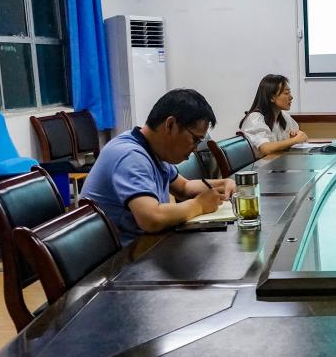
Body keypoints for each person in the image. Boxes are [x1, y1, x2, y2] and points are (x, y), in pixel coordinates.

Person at [81, 88, 236, 243]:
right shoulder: (130, 155)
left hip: (144, 245)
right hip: (123, 255)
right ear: (171, 125)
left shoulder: (152, 150)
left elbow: (184, 188)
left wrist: (222, 184)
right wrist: (199, 205)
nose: (196, 148)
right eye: (195, 140)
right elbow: (151, 218)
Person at [239, 74, 308, 156]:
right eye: (286, 93)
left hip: (277, 162)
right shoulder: (255, 118)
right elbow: (266, 148)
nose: (291, 97)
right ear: (271, 97)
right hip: (262, 164)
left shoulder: (284, 116)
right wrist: (294, 140)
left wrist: (296, 136)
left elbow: (299, 135)